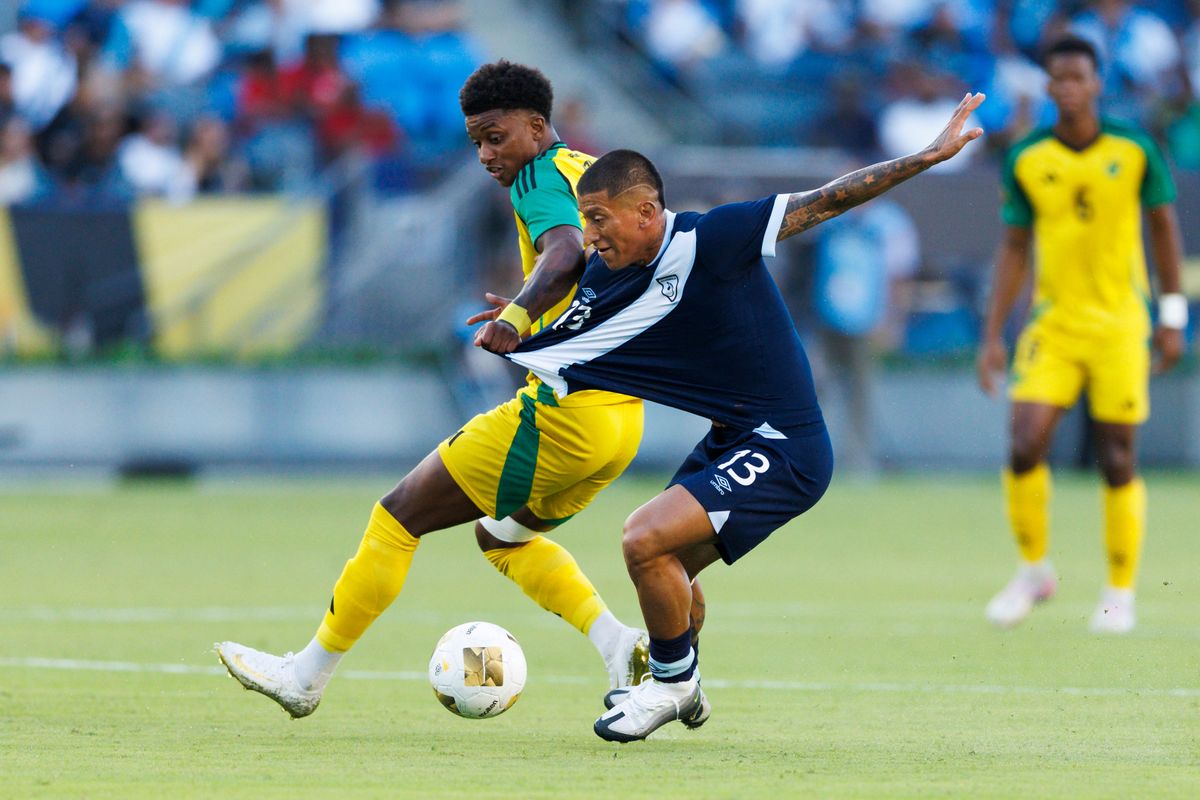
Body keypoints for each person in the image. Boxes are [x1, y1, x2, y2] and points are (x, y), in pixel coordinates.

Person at [474, 93, 985, 741]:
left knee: (642, 538)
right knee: (672, 575)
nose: (591, 237)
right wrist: (517, 317)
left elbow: (828, 198)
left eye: (600, 219)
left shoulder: (712, 237)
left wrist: (927, 157)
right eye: (584, 220)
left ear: (647, 211)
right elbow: (565, 325)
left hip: (787, 444)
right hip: (734, 439)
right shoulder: (608, 280)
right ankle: (683, 686)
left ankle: (668, 684)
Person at [216, 61, 661, 718]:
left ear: (537, 127)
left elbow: (563, 251)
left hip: (563, 416)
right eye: (476, 140)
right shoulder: (592, 174)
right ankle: (620, 646)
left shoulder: (538, 179)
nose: (486, 154)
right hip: (622, 421)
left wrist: (517, 313)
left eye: (497, 136)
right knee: (501, 537)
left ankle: (304, 676)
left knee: (397, 517)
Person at [976, 35, 1186, 635]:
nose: (1068, 88)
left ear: (1097, 84)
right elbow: (1014, 248)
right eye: (1058, 79)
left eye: (1079, 78)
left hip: (1122, 323)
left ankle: (1119, 591)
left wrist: (1172, 317)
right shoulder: (1027, 158)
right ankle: (1034, 572)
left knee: (1117, 455)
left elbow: (1165, 231)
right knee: (1024, 442)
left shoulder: (1135, 148)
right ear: (1047, 88)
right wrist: (993, 335)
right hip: (1054, 325)